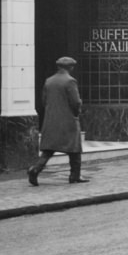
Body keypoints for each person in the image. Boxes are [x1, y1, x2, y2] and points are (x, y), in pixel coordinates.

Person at [28, 57, 88, 185]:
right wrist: (77, 113)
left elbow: (44, 101)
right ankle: (74, 176)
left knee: (48, 150)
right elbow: (76, 102)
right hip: (68, 121)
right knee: (75, 150)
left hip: (51, 120)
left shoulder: (49, 81)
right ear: (70, 68)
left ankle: (35, 169)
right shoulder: (70, 81)